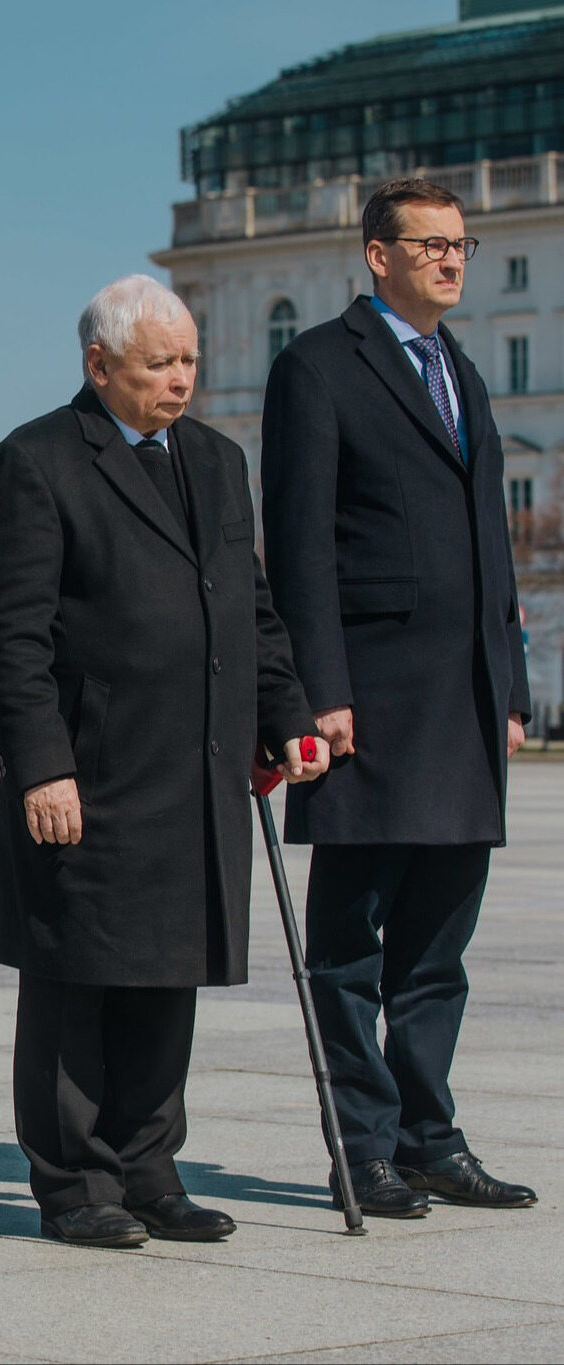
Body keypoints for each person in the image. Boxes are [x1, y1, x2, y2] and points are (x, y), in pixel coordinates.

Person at [0, 275, 327, 1249]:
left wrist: (285, 715)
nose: (181, 382)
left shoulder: (214, 461)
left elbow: (248, 608)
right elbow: (11, 637)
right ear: (98, 366)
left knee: (167, 975)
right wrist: (42, 764)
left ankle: (149, 1167)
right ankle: (75, 1185)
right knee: (76, 979)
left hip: (195, 763)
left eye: (189, 363)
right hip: (93, 770)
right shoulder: (37, 461)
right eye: (159, 365)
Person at [261, 178, 536, 1217]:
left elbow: (491, 552)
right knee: (347, 945)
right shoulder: (317, 366)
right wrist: (314, 691)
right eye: (430, 245)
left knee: (437, 946)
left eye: (460, 242)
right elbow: (298, 544)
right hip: (366, 700)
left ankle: (430, 1137)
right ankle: (361, 1145)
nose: (451, 260)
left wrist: (506, 687)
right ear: (376, 254)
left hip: (461, 701)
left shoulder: (461, 369)